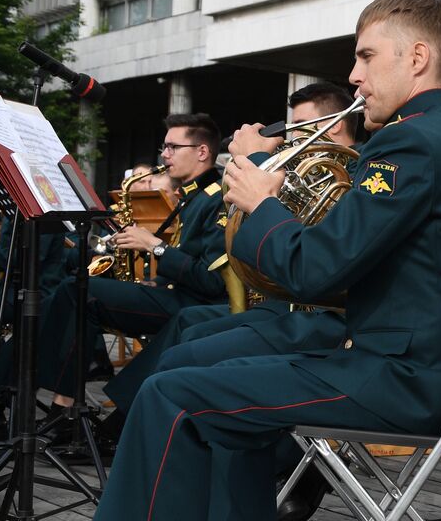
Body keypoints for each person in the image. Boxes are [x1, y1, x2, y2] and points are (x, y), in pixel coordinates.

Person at [44, 0, 441, 521]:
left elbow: (315, 268)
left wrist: (263, 205)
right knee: (217, 369)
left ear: (416, 58)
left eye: (365, 56)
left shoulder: (413, 144)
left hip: (398, 377)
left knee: (174, 395)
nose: (354, 74)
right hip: (407, 364)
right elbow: (355, 270)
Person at [99, 81, 364, 441]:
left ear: (334, 125)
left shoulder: (357, 172)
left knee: (188, 344)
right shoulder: (307, 173)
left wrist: (254, 167)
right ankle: (134, 427)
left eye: (300, 125)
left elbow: (312, 255)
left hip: (316, 314)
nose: (290, 136)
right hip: (285, 305)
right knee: (191, 333)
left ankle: (134, 430)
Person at [36, 114, 229, 425]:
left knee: (79, 291)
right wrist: (159, 280)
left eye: (172, 147)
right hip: (175, 293)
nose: (163, 155)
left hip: (197, 305)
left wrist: (156, 247)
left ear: (202, 152)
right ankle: (62, 402)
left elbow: (210, 280)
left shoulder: (217, 198)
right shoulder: (194, 195)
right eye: (163, 147)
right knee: (76, 287)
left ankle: (63, 405)